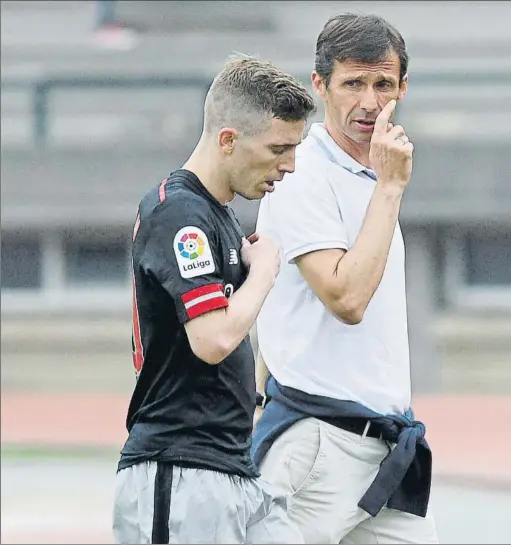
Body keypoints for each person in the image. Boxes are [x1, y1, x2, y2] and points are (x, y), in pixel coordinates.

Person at [252, 13, 439, 544]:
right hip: (317, 447)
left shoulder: (374, 173)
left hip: (387, 447)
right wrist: (391, 188)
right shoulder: (301, 172)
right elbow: (347, 297)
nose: (369, 102)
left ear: (403, 87)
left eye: (383, 84)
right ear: (320, 87)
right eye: (352, 83)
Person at [113, 54, 315, 544]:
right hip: (180, 470)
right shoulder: (180, 213)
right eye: (278, 149)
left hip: (231, 465)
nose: (289, 165)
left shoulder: (217, 213)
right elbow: (213, 337)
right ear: (229, 140)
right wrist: (264, 273)